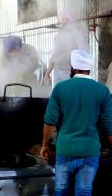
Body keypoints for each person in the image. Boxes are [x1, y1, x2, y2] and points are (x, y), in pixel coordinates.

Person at [40, 50, 112, 196]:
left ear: (73, 67)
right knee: (84, 191)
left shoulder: (60, 88)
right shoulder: (102, 91)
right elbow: (108, 124)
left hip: (65, 149)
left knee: (60, 190)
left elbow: (49, 120)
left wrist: (45, 145)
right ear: (89, 69)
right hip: (89, 151)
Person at [44, 11, 88, 87]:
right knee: (60, 96)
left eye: (66, 19)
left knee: (71, 96)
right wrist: (47, 73)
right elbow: (53, 56)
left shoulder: (78, 34)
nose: (64, 22)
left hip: (71, 72)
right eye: (63, 19)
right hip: (57, 71)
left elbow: (83, 54)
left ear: (72, 21)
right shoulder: (58, 36)